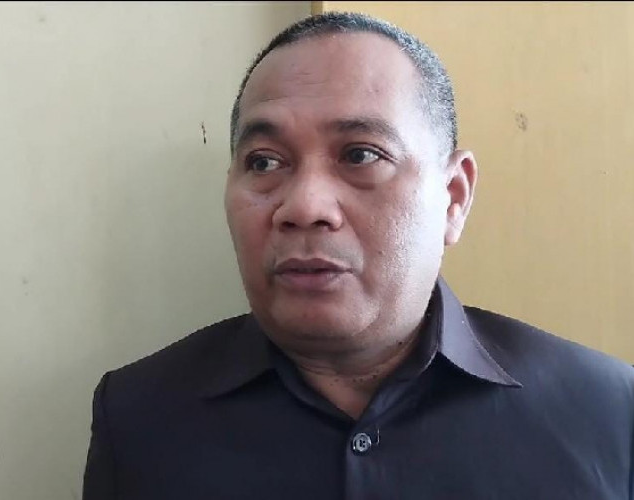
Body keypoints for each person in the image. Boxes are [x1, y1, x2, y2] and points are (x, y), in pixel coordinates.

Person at [82, 11, 634, 500]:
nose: (305, 207)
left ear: (453, 198)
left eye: (361, 155)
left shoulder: (607, 411)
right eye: (265, 162)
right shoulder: (138, 416)